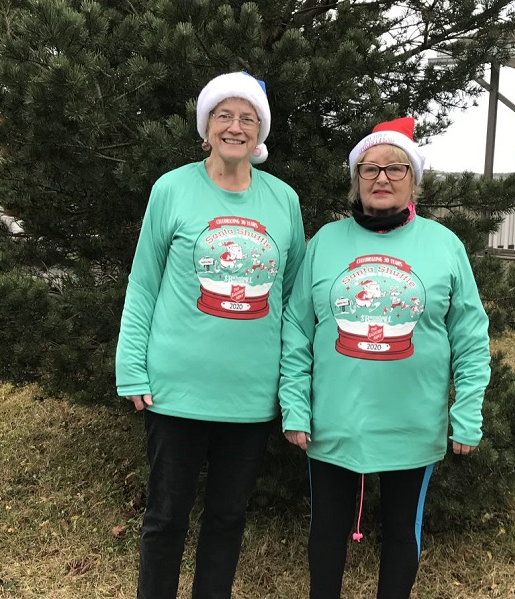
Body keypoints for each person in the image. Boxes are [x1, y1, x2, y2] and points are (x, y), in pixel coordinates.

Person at [279, 117, 491, 599]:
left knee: (401, 533)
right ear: (356, 180)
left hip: (412, 425)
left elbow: (471, 336)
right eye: (370, 168)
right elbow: (296, 327)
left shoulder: (445, 246)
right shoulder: (325, 243)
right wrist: (295, 404)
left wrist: (467, 413)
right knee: (326, 535)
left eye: (395, 168)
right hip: (332, 422)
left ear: (414, 179)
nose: (381, 178)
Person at [116, 71, 306, 599]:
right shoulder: (172, 188)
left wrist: (291, 392)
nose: (235, 126)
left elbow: (293, 304)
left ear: (260, 132)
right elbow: (143, 282)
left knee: (227, 521)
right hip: (175, 391)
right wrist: (131, 367)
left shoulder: (284, 201)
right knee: (165, 519)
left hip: (249, 396)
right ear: (206, 127)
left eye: (248, 118)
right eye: (224, 115)